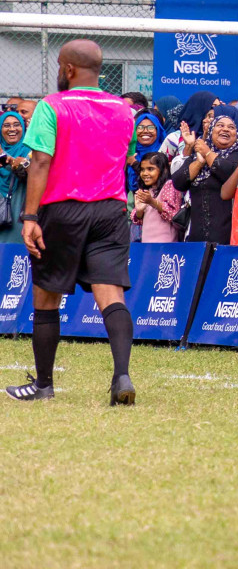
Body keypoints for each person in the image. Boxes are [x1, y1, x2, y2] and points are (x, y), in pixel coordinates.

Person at [7, 39, 137, 404]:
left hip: (63, 209)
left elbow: (41, 162)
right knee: (111, 295)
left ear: (67, 69)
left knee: (46, 297)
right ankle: (122, 376)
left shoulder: (52, 105)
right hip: (111, 211)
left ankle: (44, 385)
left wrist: (30, 215)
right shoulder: (124, 110)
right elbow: (122, 158)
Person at [171, 105, 238, 245]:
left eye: (231, 127)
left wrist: (208, 153)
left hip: (227, 237)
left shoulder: (237, 155)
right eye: (220, 125)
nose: (225, 129)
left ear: (236, 134)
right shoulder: (198, 154)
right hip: (196, 236)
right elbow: (178, 182)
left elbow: (227, 173)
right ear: (210, 131)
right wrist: (199, 162)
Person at [130, 153, 179, 244]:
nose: (144, 173)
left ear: (163, 170)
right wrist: (139, 211)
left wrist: (152, 202)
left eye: (150, 169)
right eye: (142, 170)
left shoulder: (169, 185)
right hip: (147, 243)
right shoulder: (147, 190)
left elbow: (173, 214)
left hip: (165, 244)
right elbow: (137, 220)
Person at [0, 110, 31, 244]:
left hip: (20, 209)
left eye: (16, 125)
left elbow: (33, 174)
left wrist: (9, 160)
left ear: (23, 128)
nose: (12, 129)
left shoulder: (30, 150)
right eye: (6, 125)